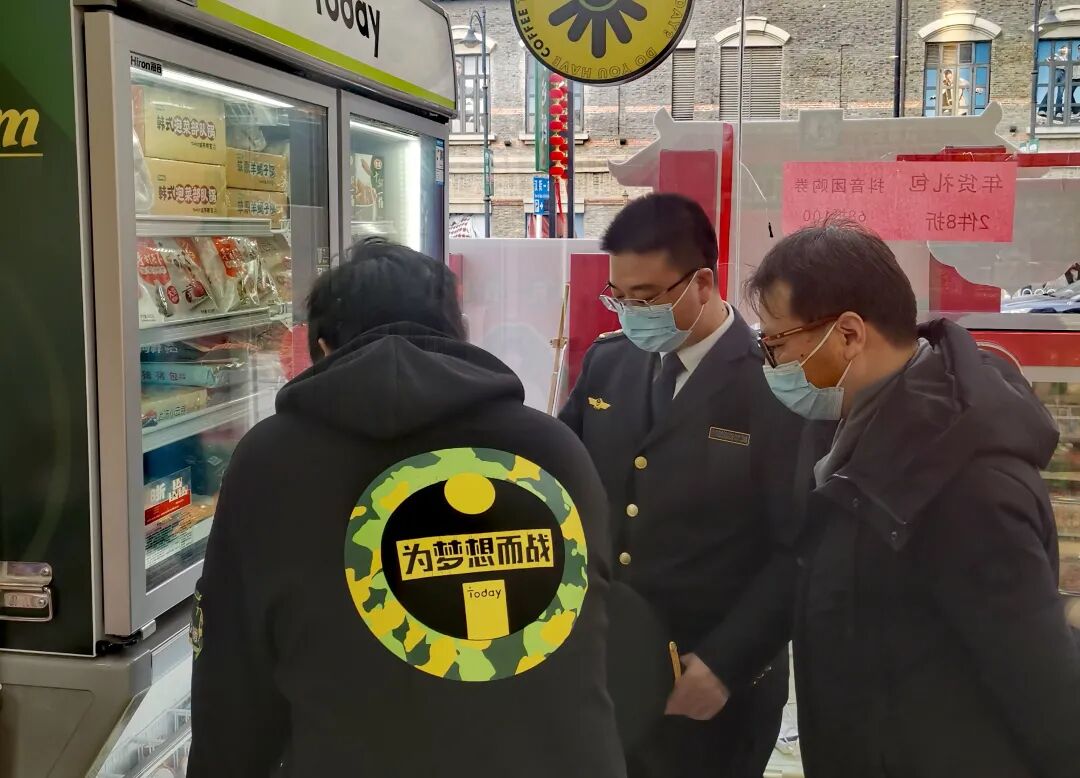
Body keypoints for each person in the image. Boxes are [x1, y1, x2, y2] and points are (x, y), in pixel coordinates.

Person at [188, 238, 626, 778]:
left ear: (321, 347)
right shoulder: (552, 450)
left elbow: (233, 685)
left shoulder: (271, 462)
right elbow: (594, 634)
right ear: (459, 332)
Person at [747, 220, 1080, 778]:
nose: (770, 363)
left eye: (777, 344)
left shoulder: (966, 481)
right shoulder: (845, 424)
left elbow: (1043, 687)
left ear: (848, 334)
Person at [560, 194, 811, 778]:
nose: (631, 313)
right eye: (619, 297)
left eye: (647, 298)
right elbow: (562, 477)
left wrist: (727, 662)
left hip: (713, 686)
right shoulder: (609, 363)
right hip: (611, 669)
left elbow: (798, 547)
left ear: (702, 282)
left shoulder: (775, 382)